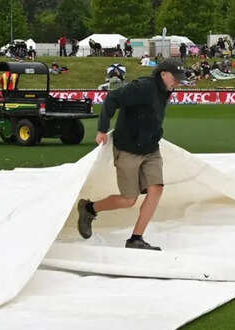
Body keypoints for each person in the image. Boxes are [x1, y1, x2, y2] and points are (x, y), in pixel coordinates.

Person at [76, 59, 188, 251]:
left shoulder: (165, 91)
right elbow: (112, 98)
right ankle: (89, 209)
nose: (176, 83)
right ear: (162, 74)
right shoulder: (143, 87)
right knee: (128, 200)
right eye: (174, 78)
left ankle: (136, 239)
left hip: (151, 149)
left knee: (157, 189)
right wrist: (102, 129)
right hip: (128, 148)